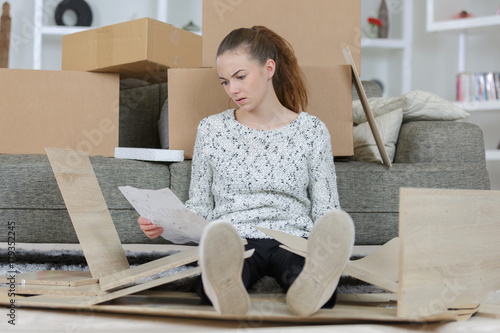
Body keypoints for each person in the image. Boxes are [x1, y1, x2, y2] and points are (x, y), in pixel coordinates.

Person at [138, 26, 355, 317]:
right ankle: (224, 290)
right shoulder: (211, 129)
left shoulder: (311, 130)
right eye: (225, 82)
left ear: (268, 68)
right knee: (214, 281)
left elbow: (327, 208)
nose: (233, 90)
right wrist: (166, 222)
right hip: (233, 238)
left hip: (290, 236)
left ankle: (314, 285)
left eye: (240, 77)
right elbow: (200, 204)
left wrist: (325, 242)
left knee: (306, 276)